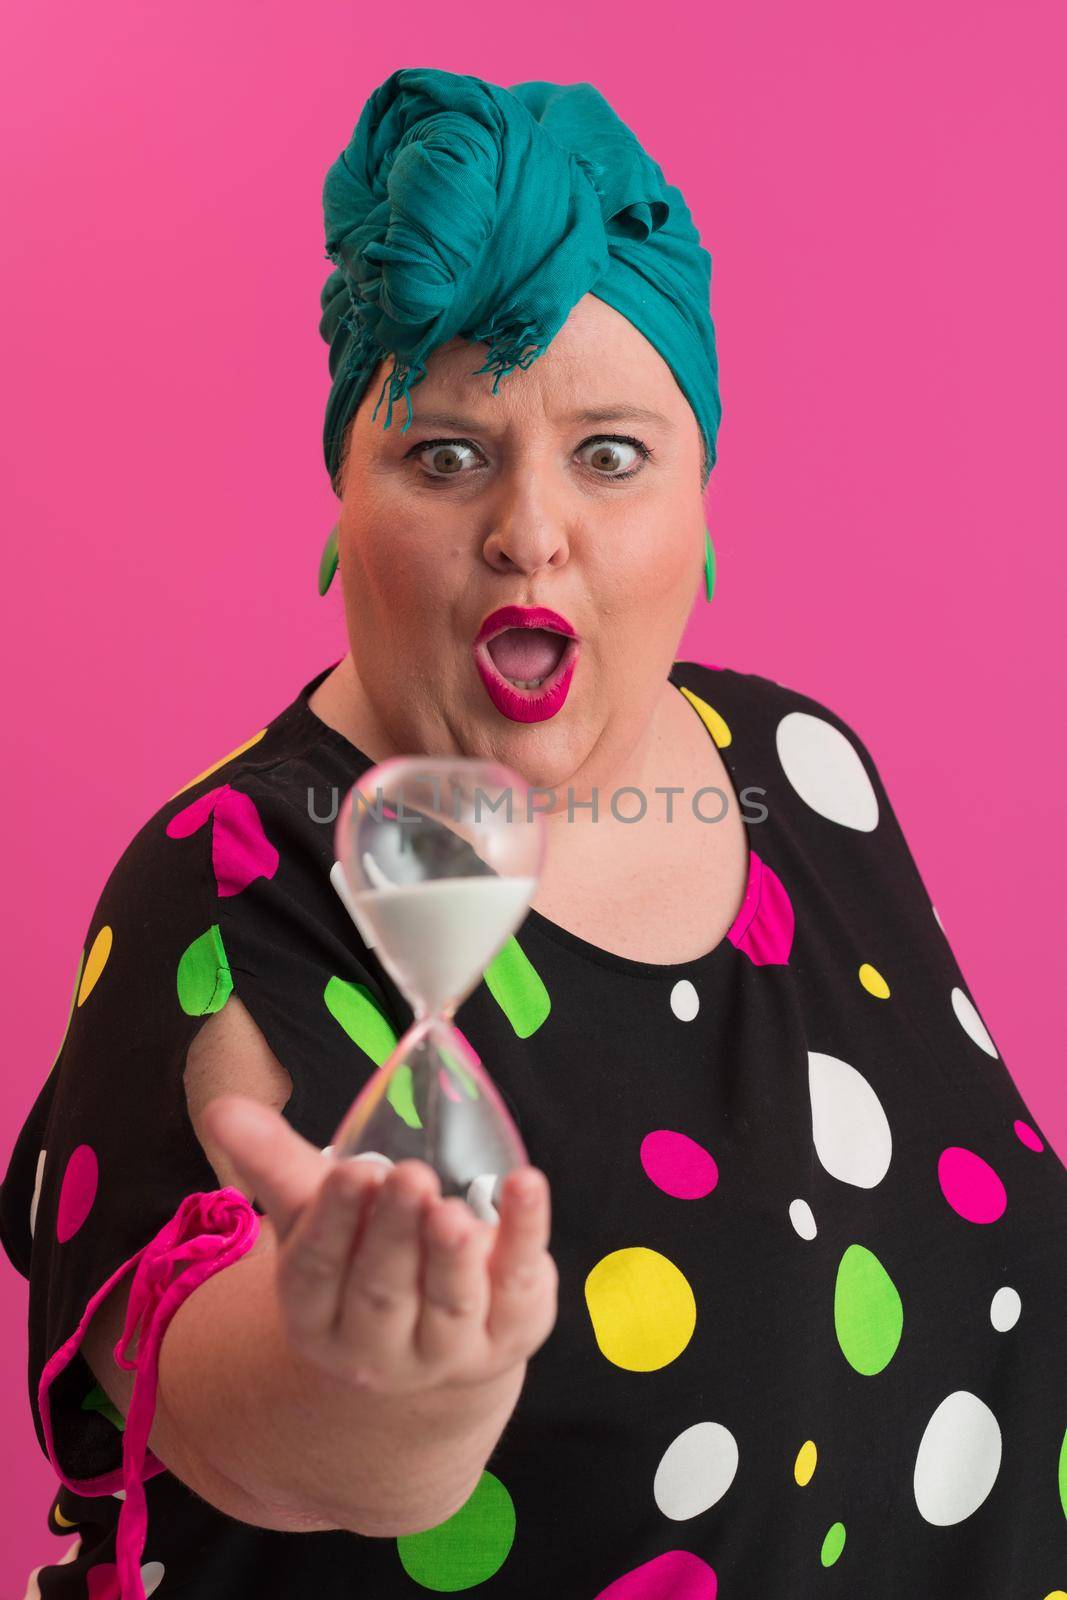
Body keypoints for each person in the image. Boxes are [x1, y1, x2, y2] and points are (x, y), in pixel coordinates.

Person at [2, 64, 1064, 1600]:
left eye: (612, 453)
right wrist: (376, 1384)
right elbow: (239, 1419)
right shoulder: (231, 889)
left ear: (705, 502)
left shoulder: (802, 767)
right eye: (444, 454)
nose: (530, 530)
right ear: (340, 496)